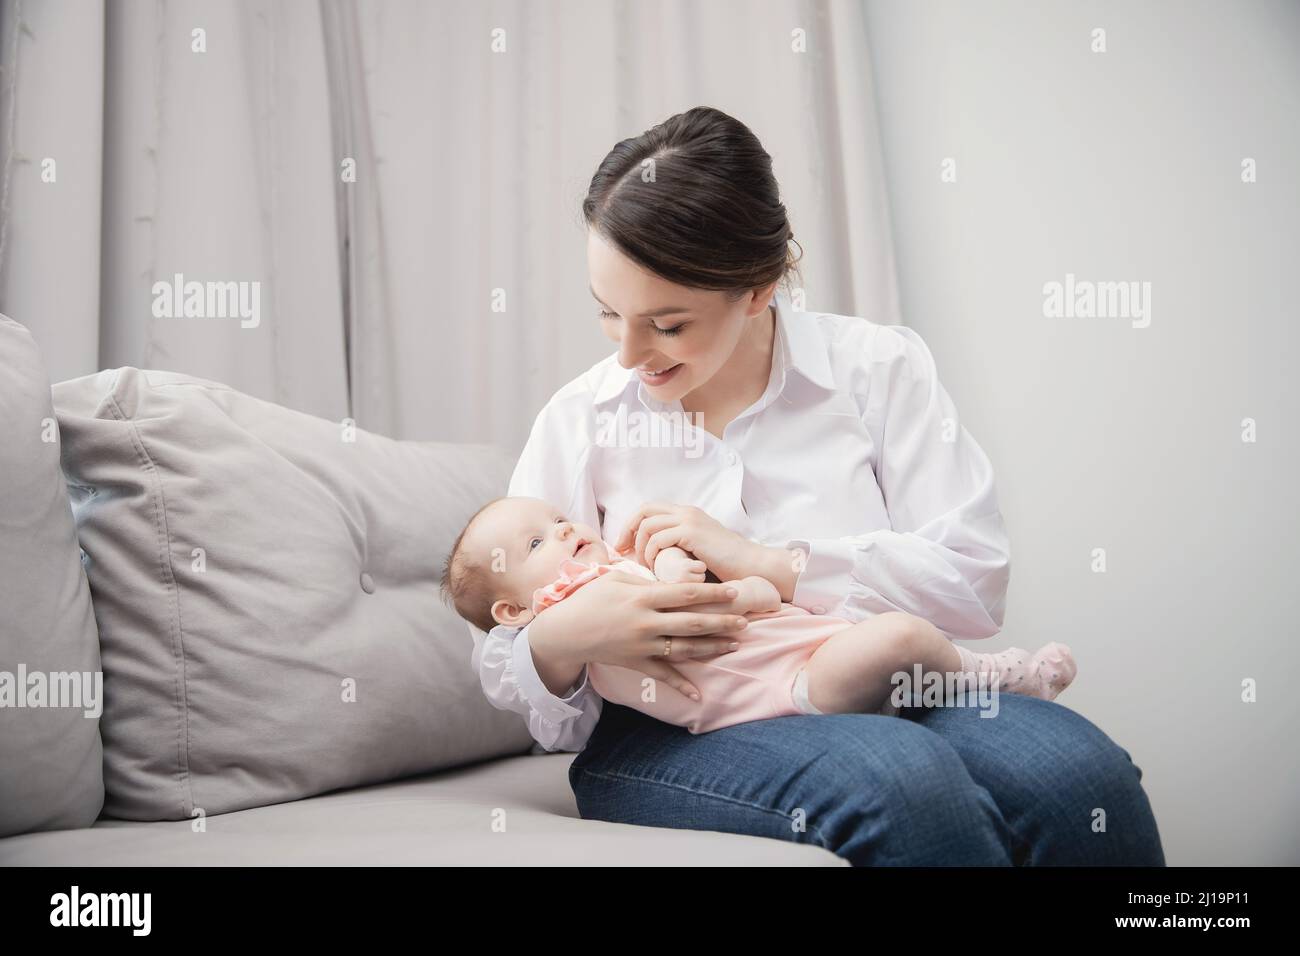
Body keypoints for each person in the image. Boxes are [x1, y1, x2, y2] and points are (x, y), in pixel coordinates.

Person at [471, 106, 1165, 865]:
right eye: (609, 314)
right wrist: (566, 637)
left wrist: (772, 563)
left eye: (667, 325)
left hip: (878, 681)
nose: (631, 353)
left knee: (1082, 777)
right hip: (671, 731)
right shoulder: (582, 418)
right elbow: (510, 632)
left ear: (760, 287)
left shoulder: (876, 370)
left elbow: (971, 582)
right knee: (899, 780)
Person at [445, 495, 1078, 733]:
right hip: (785, 694)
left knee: (1071, 767)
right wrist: (558, 634)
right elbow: (511, 671)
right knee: (901, 641)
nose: (561, 531)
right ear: (514, 606)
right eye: (536, 544)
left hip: (803, 645)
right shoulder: (566, 606)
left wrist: (739, 580)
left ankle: (977, 679)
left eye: (559, 519)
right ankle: (995, 673)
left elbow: (741, 601)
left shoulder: (619, 562)